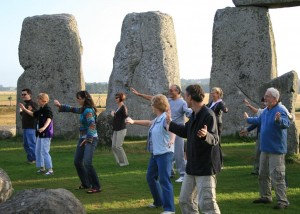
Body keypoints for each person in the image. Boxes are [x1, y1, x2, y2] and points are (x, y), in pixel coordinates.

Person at [167, 84, 222, 214]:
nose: (185, 99)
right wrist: (170, 124)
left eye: (186, 96)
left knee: (207, 204)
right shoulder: (194, 115)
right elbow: (186, 131)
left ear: (190, 97)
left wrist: (205, 135)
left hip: (205, 167)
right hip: (192, 166)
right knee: (185, 200)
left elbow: (215, 139)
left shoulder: (208, 115)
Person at [126, 94, 176, 214]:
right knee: (150, 177)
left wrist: (172, 140)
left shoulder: (165, 118)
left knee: (164, 180)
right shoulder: (158, 118)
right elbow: (148, 123)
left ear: (157, 106)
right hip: (156, 154)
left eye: (152, 104)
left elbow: (172, 129)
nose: (151, 106)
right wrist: (133, 121)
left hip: (165, 153)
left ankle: (170, 209)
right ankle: (158, 201)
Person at [131, 85, 192, 183]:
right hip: (165, 129)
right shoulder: (168, 101)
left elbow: (188, 111)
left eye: (171, 90)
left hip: (178, 130)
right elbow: (154, 99)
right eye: (169, 90)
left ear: (178, 91)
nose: (169, 92)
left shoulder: (182, 102)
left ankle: (182, 174)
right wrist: (139, 95)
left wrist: (193, 114)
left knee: (179, 153)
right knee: (167, 153)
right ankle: (170, 172)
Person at [244, 87, 290, 209]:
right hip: (265, 149)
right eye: (265, 95)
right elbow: (258, 120)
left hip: (276, 150)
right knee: (262, 174)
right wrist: (248, 119)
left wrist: (279, 120)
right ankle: (266, 196)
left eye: (267, 96)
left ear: (275, 99)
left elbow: (286, 123)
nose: (265, 98)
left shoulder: (280, 110)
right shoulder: (265, 110)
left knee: (277, 176)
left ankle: (282, 202)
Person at [54, 91, 101, 194]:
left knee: (87, 163)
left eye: (79, 98)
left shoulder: (88, 110)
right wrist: (60, 106)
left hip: (91, 139)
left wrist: (87, 139)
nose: (77, 100)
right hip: (83, 138)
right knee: (77, 162)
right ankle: (86, 184)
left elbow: (92, 125)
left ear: (85, 98)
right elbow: (73, 109)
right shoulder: (84, 109)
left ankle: (96, 186)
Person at [19, 93, 54, 176]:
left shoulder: (47, 109)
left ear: (44, 100)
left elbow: (49, 119)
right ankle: (42, 168)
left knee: (45, 151)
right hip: (39, 134)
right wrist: (24, 109)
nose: (38, 101)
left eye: (39, 99)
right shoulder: (41, 109)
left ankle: (50, 170)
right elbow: (33, 114)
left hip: (46, 133)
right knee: (38, 150)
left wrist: (44, 128)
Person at [240, 97, 266, 175]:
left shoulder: (267, 112)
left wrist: (249, 106)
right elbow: (257, 122)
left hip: (265, 136)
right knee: (258, 153)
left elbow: (257, 116)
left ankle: (262, 170)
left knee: (263, 154)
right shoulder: (263, 113)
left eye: (264, 102)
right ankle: (257, 170)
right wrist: (247, 130)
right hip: (260, 135)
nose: (263, 104)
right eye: (262, 103)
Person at [20, 88, 38, 164]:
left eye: (25, 94)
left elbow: (34, 114)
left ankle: (34, 159)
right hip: (25, 127)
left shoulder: (33, 104)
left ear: (29, 94)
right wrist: (21, 111)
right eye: (22, 95)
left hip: (31, 127)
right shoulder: (26, 104)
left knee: (31, 143)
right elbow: (25, 115)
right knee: (26, 144)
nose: (23, 96)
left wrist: (24, 109)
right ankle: (30, 158)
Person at [110, 92, 129, 166]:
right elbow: (117, 116)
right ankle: (119, 161)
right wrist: (113, 113)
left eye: (117, 98)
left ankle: (124, 162)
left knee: (118, 146)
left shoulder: (123, 107)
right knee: (113, 147)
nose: (116, 99)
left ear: (121, 98)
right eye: (115, 97)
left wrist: (128, 119)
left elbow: (126, 116)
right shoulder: (118, 107)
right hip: (116, 129)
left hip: (121, 128)